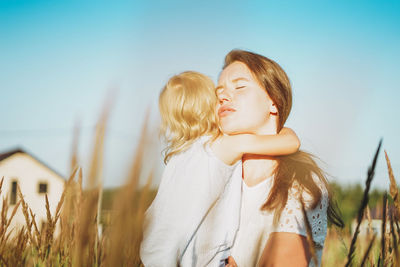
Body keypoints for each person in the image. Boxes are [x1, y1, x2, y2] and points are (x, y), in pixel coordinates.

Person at [140, 71, 301, 267]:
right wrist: (285, 128)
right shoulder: (223, 145)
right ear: (210, 107)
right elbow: (291, 143)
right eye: (218, 97)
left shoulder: (177, 158)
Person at [215, 50, 343, 267]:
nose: (223, 97)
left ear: (273, 102)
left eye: (240, 87)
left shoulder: (300, 182)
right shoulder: (216, 173)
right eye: (219, 92)